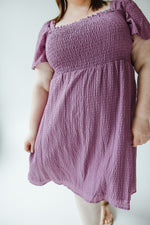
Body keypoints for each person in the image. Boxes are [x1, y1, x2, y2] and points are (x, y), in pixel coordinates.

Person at [24, 0, 150, 224]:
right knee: (81, 185)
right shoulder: (49, 30)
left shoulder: (120, 8)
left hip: (112, 127)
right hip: (66, 128)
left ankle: (105, 204)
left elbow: (147, 62)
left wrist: (142, 116)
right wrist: (32, 130)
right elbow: (42, 84)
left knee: (108, 177)